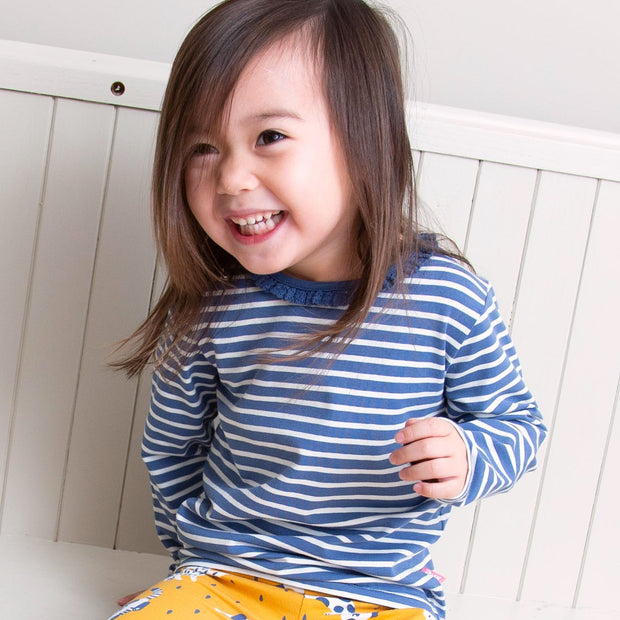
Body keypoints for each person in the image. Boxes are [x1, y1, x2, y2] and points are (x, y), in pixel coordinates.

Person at [110, 0, 547, 618]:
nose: (232, 177)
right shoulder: (212, 310)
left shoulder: (448, 299)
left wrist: (469, 455)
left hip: (381, 595)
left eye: (270, 137)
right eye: (202, 147)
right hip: (227, 577)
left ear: (364, 138)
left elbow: (520, 427)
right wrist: (185, 578)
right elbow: (172, 452)